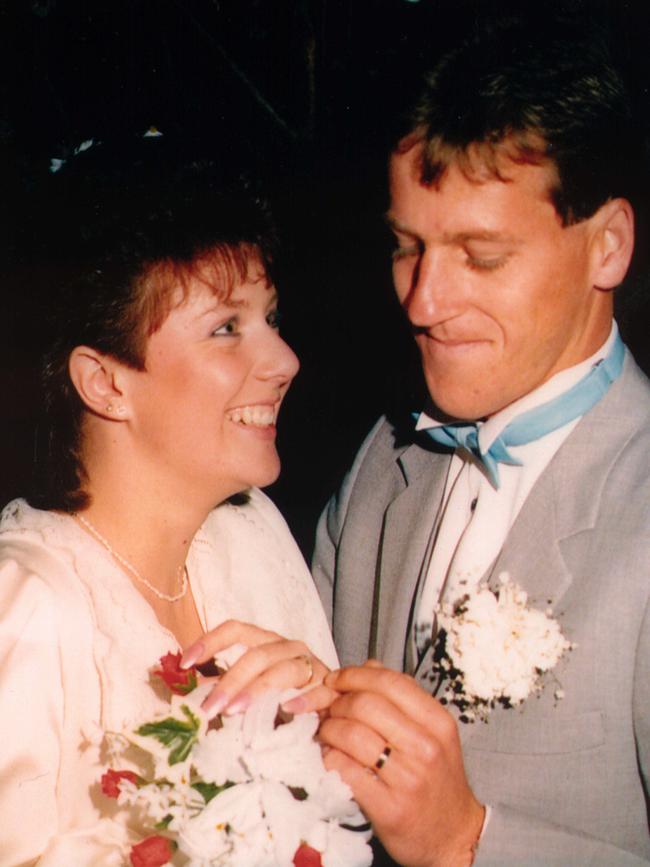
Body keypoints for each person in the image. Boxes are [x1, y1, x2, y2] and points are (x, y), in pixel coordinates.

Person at [311, 18, 650, 867]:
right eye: (408, 248)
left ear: (607, 245)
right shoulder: (383, 464)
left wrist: (467, 843)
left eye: (483, 256)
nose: (423, 302)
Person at [0, 135, 337, 865]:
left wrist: (331, 710)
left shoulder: (255, 536)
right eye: (226, 328)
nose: (284, 361)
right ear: (105, 382)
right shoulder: (30, 605)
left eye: (270, 318)